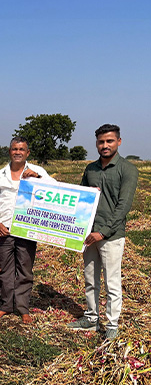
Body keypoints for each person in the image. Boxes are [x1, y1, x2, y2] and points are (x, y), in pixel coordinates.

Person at [67, 124, 138, 340]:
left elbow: (123, 207)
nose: (105, 145)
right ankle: (91, 318)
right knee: (90, 279)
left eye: (109, 141)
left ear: (119, 141)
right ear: (96, 143)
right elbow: (80, 198)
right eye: (101, 142)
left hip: (112, 236)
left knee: (112, 282)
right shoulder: (91, 169)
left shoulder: (128, 170)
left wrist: (103, 232)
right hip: (89, 234)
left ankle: (112, 324)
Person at [0, 136, 54, 324]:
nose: (18, 152)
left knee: (25, 269)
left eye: (22, 149)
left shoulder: (37, 171)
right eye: (15, 149)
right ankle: (6, 305)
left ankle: (23, 308)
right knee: (5, 270)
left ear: (27, 153)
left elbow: (55, 189)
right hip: (5, 229)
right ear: (10, 151)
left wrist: (37, 178)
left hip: (27, 229)